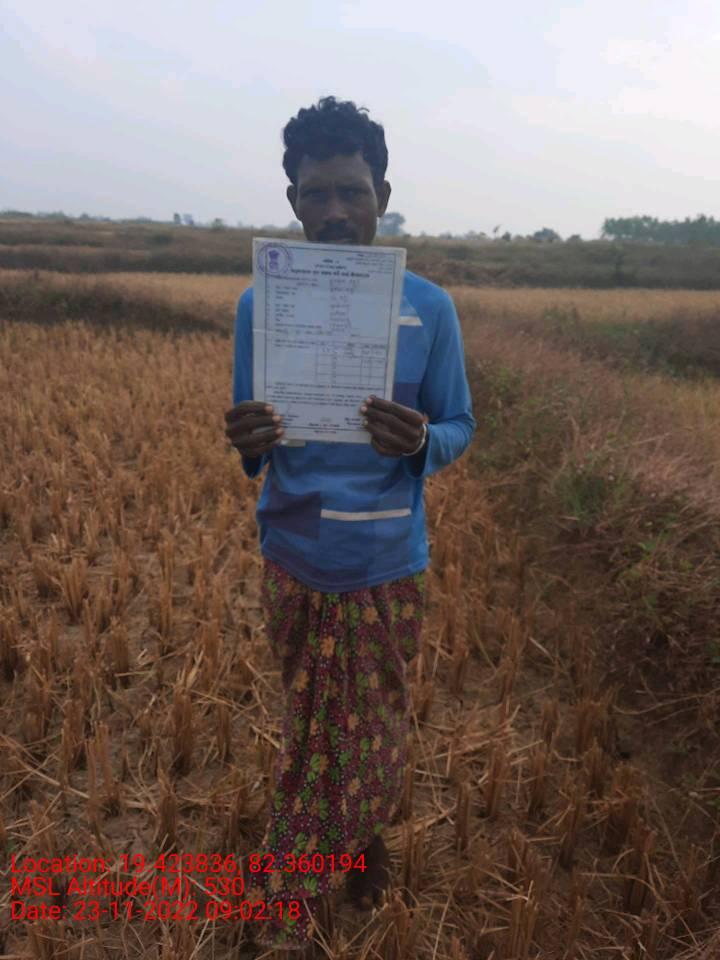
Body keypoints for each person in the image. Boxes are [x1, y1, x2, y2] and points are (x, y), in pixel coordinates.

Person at [224, 95, 476, 951]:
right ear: (293, 201)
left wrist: (422, 442)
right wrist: (248, 442)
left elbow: (459, 424)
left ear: (383, 196)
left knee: (373, 723)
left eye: (352, 192)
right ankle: (331, 850)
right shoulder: (260, 308)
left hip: (385, 561)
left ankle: (321, 864)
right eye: (316, 193)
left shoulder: (430, 311)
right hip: (295, 554)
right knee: (309, 724)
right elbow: (252, 438)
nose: (335, 211)